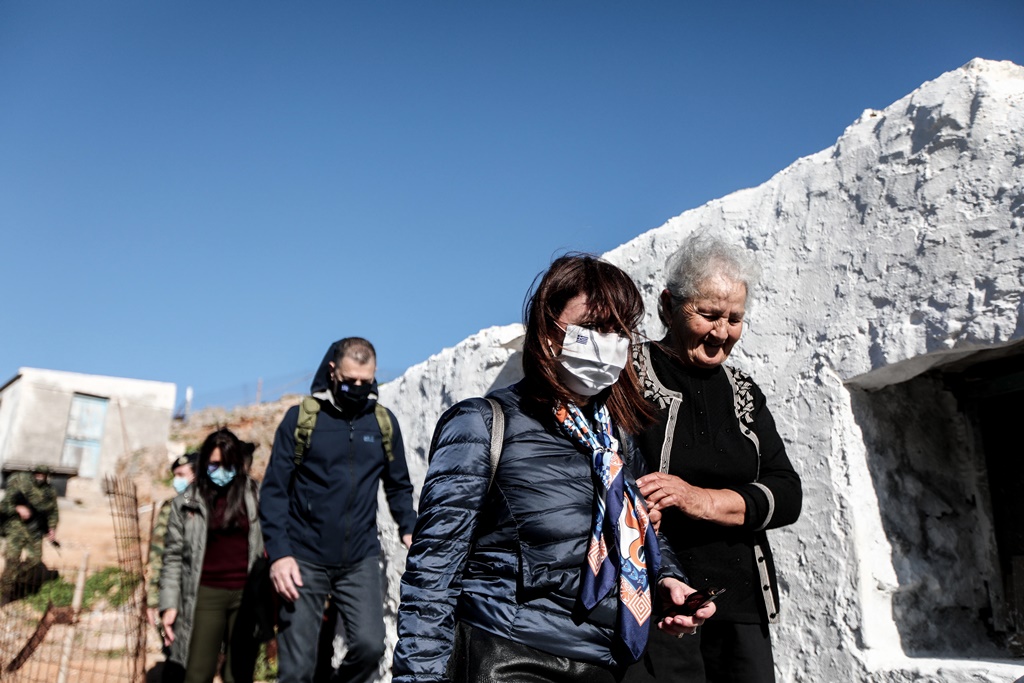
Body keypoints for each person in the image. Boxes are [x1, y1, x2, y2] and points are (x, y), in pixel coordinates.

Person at [392, 254, 717, 683]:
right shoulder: (483, 424)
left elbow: (639, 527)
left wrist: (668, 580)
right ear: (548, 334)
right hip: (510, 656)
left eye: (619, 331)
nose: (608, 342)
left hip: (604, 660)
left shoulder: (615, 437)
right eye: (593, 328)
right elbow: (433, 572)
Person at [623, 233, 803, 683]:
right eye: (708, 314)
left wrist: (697, 499)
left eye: (735, 318)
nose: (722, 332)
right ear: (668, 305)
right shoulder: (627, 377)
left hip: (741, 604)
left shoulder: (744, 393)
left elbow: (788, 493)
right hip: (660, 607)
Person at [259, 337, 417, 683]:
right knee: (297, 669)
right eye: (349, 381)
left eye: (366, 382)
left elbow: (398, 485)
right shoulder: (301, 419)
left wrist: (408, 524)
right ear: (332, 371)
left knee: (371, 646)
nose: (357, 389)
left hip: (359, 558)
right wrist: (280, 554)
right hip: (303, 558)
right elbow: (273, 492)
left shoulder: (382, 423)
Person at [159, 429, 263, 683]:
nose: (221, 471)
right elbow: (172, 557)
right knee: (197, 671)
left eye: (227, 464)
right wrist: (169, 604)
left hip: (246, 593)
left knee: (238, 673)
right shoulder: (185, 503)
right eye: (214, 464)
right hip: (206, 593)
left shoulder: (256, 495)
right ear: (204, 461)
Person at [147, 451, 197, 683]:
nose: (176, 480)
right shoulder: (172, 507)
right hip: (174, 594)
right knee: (175, 656)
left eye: (181, 474)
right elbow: (158, 557)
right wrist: (154, 599)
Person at [0, 464, 59, 603]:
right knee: (12, 560)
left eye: (42, 475)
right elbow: (4, 505)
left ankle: (17, 582)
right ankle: (4, 593)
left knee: (35, 560)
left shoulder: (49, 491)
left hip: (35, 531)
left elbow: (53, 512)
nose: (39, 477)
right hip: (17, 529)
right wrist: (17, 508)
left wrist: (52, 528)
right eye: (37, 474)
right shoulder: (19, 484)